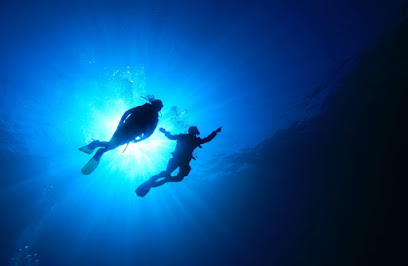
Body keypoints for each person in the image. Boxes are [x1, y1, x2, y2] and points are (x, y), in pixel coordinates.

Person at [78, 99, 163, 175]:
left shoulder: (144, 107)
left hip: (123, 128)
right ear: (158, 108)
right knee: (112, 145)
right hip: (131, 135)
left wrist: (121, 123)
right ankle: (99, 146)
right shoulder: (154, 118)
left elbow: (127, 112)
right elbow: (149, 133)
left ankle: (100, 147)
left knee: (111, 144)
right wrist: (139, 140)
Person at [135, 125, 222, 197]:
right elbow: (171, 137)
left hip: (182, 161)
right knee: (167, 174)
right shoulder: (184, 137)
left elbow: (206, 139)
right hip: (178, 160)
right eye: (193, 130)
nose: (193, 132)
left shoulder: (195, 140)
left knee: (177, 177)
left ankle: (159, 181)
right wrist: (165, 132)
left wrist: (215, 132)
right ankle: (154, 182)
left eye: (194, 130)